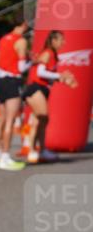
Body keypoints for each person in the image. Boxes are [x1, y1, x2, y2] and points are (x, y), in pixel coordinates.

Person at [22, 30, 78, 163]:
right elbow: (41, 72)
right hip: (35, 88)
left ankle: (41, 149)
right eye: (61, 40)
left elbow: (49, 77)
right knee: (42, 117)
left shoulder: (53, 54)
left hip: (43, 89)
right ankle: (31, 149)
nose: (63, 43)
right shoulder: (47, 53)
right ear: (53, 41)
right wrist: (60, 76)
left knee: (41, 120)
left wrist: (64, 80)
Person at [0, 19, 30, 171]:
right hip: (12, 81)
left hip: (0, 80)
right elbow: (21, 67)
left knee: (1, 120)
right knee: (10, 120)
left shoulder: (3, 39)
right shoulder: (21, 41)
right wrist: (32, 62)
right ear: (24, 24)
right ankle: (5, 157)